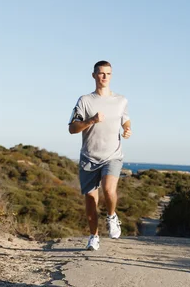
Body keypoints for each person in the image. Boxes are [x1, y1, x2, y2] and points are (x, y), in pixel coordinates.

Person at [68, 60, 132, 251]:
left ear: (111, 76)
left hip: (112, 155)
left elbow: (126, 121)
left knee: (109, 188)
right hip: (89, 157)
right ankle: (94, 236)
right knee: (90, 199)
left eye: (108, 73)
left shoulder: (121, 100)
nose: (105, 77)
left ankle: (112, 217)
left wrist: (127, 130)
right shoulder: (84, 101)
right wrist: (92, 120)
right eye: (101, 73)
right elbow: (72, 128)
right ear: (94, 75)